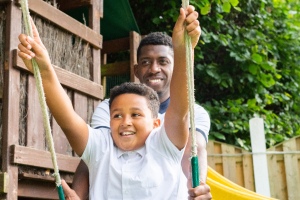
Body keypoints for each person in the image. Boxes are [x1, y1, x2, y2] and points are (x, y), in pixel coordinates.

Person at [18, 5, 208, 199]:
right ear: (109, 121)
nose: (125, 121)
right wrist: (45, 70)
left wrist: (182, 49)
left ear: (156, 123)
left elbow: (179, 111)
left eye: (135, 114)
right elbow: (68, 119)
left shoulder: (165, 146)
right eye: (117, 115)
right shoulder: (100, 146)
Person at [72, 7, 212, 200]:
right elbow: (92, 156)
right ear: (136, 70)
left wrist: (197, 187)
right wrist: (78, 196)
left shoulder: (195, 113)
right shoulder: (109, 107)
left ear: (175, 66)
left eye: (163, 61)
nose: (154, 69)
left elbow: (193, 150)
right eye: (146, 62)